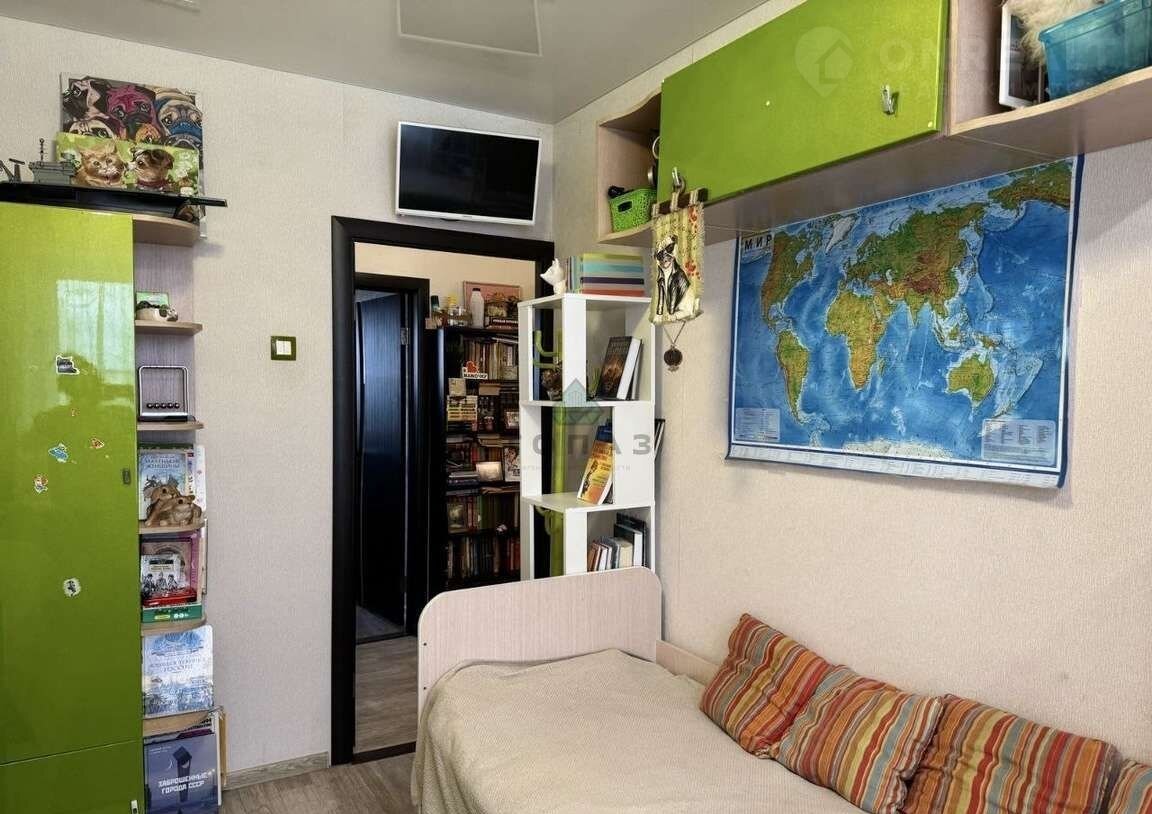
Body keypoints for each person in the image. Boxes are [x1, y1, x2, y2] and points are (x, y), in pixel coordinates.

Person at [653, 235, 690, 319]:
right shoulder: (661, 275)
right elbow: (661, 295)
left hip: (681, 304)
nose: (664, 261)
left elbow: (674, 293)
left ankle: (674, 312)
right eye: (660, 257)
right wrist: (659, 313)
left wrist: (671, 313)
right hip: (674, 305)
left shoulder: (677, 273)